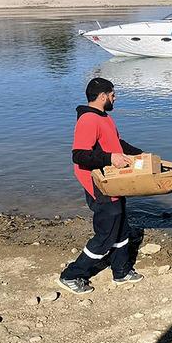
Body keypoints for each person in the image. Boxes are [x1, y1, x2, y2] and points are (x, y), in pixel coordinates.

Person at [59, 77, 145, 294]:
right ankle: (71, 275)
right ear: (103, 96)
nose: (115, 97)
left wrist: (142, 155)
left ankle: (121, 271)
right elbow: (79, 156)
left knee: (123, 227)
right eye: (113, 94)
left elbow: (118, 145)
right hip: (99, 185)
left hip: (114, 182)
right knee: (106, 234)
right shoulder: (88, 120)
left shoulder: (104, 118)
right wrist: (110, 159)